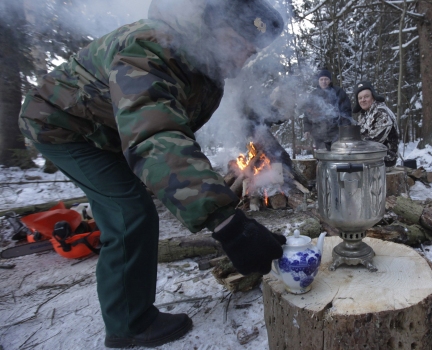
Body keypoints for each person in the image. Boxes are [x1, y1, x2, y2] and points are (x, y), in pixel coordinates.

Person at [17, 0, 287, 347]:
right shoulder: (150, 47)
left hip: (107, 130)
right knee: (129, 212)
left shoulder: (204, 70)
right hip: (63, 125)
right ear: (211, 28)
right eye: (236, 44)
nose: (240, 58)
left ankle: (129, 311)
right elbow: (156, 136)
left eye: (248, 53)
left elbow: (174, 130)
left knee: (131, 208)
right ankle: (128, 324)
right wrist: (228, 225)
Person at [302, 69, 353, 150]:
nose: (324, 81)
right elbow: (307, 114)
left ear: (330, 80)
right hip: (319, 134)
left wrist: (345, 129)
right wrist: (307, 129)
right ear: (318, 81)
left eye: (326, 79)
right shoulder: (313, 95)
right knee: (322, 157)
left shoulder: (338, 92)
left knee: (337, 156)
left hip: (336, 133)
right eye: (321, 79)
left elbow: (346, 111)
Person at [352, 81, 400, 167]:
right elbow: (360, 136)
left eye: (366, 96)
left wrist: (350, 149)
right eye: (360, 98)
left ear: (373, 97)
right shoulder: (364, 114)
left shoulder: (381, 113)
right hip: (370, 158)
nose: (363, 100)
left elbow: (373, 143)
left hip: (384, 160)